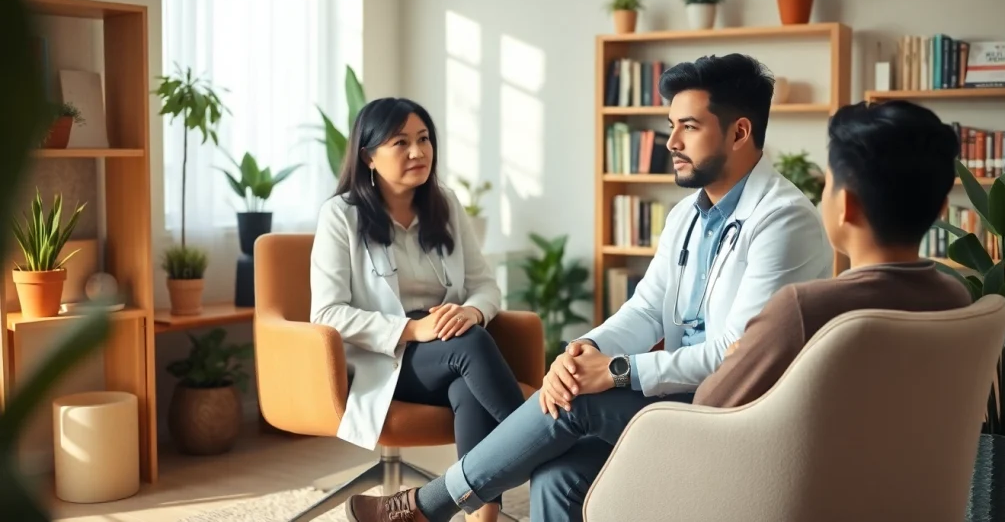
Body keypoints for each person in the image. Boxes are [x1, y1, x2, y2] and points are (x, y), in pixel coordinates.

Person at [344, 53, 834, 522]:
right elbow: (644, 309)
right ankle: (428, 506)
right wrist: (585, 349)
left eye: (689, 126)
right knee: (557, 472)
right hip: (679, 398)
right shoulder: (687, 215)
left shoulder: (782, 219)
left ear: (740, 132)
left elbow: (734, 354)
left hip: (735, 410)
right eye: (671, 127)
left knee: (577, 400)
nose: (671, 143)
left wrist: (617, 372)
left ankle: (426, 507)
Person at [310, 97, 525, 522]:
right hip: (385, 357)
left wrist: (473, 313)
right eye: (401, 142)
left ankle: (477, 518)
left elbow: (485, 286)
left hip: (452, 346)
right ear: (369, 155)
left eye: (424, 139)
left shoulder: (444, 205)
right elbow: (327, 314)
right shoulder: (341, 216)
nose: (418, 152)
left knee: (469, 386)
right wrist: (412, 331)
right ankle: (546, 443)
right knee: (470, 347)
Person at [693, 99, 972, 408]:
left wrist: (735, 360)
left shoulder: (803, 310)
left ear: (846, 206)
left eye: (827, 184)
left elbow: (709, 404)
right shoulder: (955, 299)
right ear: (941, 211)